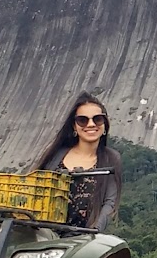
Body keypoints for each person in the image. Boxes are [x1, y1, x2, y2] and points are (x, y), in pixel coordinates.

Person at [32, 92, 122, 229]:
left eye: (97, 119)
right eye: (82, 120)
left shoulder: (111, 159)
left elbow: (109, 203)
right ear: (74, 126)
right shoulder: (56, 155)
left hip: (83, 238)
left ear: (104, 124)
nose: (91, 124)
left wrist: (93, 231)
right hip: (45, 233)